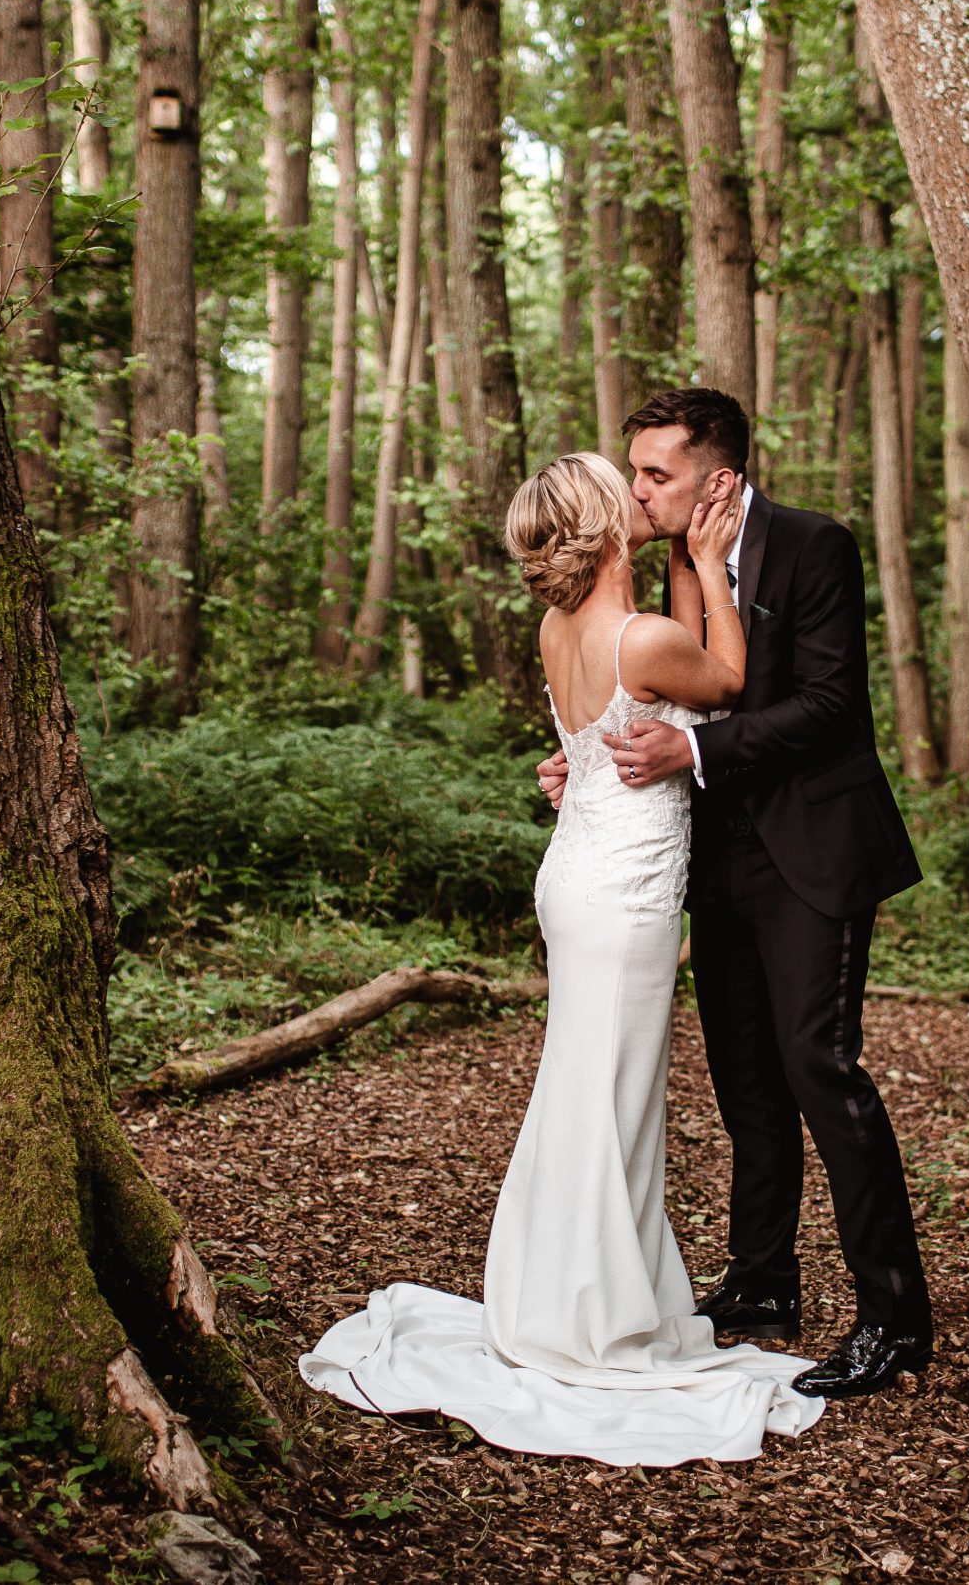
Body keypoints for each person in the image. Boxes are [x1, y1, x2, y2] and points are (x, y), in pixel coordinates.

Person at [300, 448, 825, 1466]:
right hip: (621, 895)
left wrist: (678, 561)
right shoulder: (643, 637)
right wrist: (708, 556)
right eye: (620, 487)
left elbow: (593, 741)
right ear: (599, 518)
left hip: (578, 873)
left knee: (588, 1092)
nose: (641, 496)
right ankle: (590, 1314)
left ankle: (573, 1292)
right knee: (611, 1098)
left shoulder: (562, 626)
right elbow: (723, 678)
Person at [544, 387, 934, 1399]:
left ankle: (893, 1315)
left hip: (812, 848)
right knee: (744, 1082)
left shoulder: (814, 544)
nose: (638, 489)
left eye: (656, 474)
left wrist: (694, 744)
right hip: (707, 859)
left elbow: (829, 705)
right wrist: (590, 762)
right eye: (633, 473)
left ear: (718, 476)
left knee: (821, 1068)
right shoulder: (649, 567)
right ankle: (761, 1283)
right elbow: (636, 696)